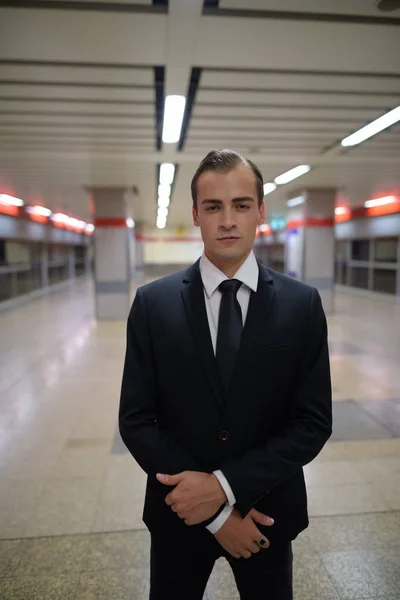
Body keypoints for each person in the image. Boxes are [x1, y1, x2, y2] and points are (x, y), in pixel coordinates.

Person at [119, 149, 332, 600]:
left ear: (260, 211)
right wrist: (215, 514)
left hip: (267, 515)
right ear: (196, 214)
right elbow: (137, 420)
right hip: (179, 515)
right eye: (213, 207)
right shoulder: (153, 305)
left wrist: (225, 488)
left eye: (241, 205)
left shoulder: (301, 305)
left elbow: (312, 422)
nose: (228, 220)